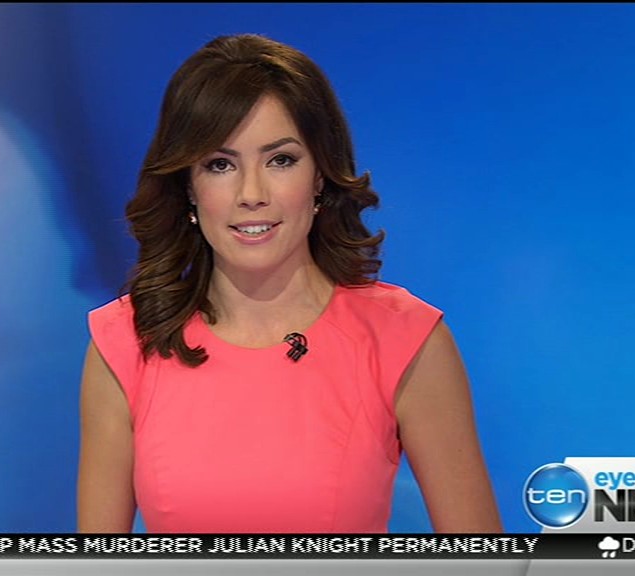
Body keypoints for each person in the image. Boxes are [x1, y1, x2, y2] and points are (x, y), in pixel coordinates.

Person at [78, 33, 501, 534]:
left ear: (319, 175)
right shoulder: (127, 343)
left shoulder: (403, 340)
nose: (251, 193)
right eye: (220, 165)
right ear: (188, 185)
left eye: (280, 160)